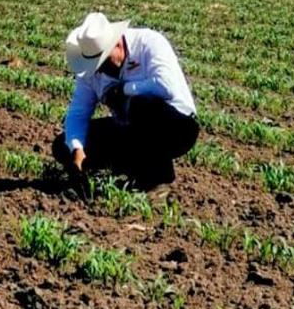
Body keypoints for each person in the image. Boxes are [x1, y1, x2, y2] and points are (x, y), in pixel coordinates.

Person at [52, 12, 199, 192]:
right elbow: (78, 112)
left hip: (176, 127)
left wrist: (123, 90)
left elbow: (166, 86)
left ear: (118, 44)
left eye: (103, 62)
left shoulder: (149, 43)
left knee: (140, 106)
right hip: (131, 130)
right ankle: (131, 169)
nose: (101, 70)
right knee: (62, 145)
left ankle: (158, 181)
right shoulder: (91, 70)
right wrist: (76, 148)